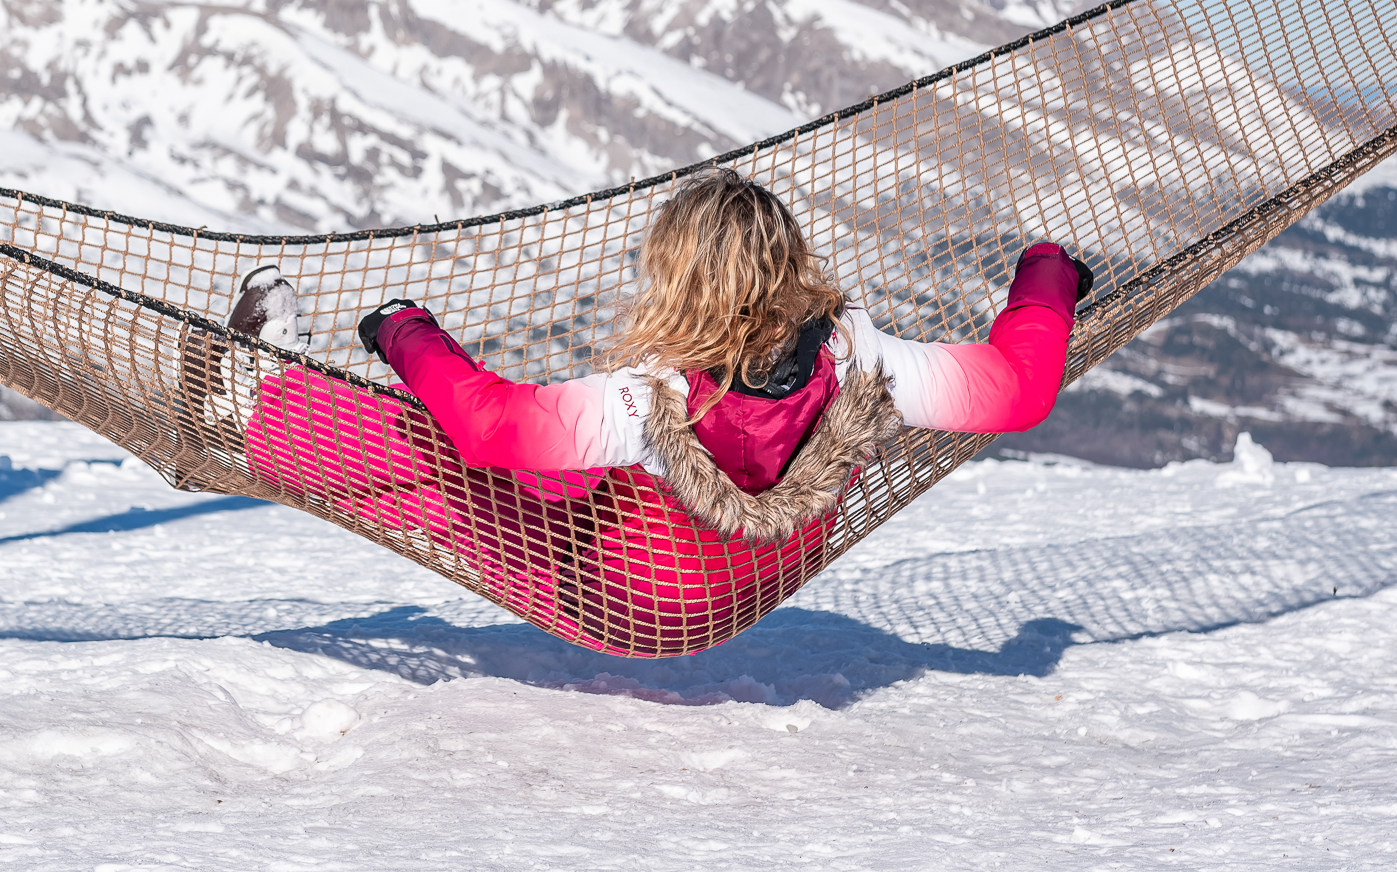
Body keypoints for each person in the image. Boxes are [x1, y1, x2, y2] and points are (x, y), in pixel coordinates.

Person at [183, 169, 1090, 656]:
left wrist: (406, 332)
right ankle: (266, 404)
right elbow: (1019, 387)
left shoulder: (647, 401)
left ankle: (254, 404)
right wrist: (1048, 270)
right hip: (752, 582)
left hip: (630, 598)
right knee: (556, 473)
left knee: (451, 457)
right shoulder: (864, 358)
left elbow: (490, 426)